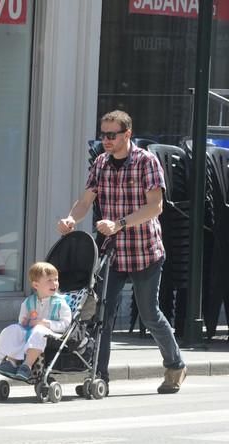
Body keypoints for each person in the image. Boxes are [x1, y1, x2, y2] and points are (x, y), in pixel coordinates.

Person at [57, 109, 187, 395]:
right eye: (103, 134)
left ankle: (175, 364)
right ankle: (97, 376)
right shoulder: (102, 163)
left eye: (111, 135)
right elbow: (86, 199)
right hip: (113, 252)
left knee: (149, 312)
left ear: (127, 134)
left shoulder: (146, 162)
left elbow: (155, 207)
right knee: (103, 312)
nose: (106, 139)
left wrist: (119, 224)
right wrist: (71, 218)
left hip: (144, 250)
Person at [0, 262, 72, 381]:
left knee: (39, 330)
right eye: (49, 280)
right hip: (30, 331)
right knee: (12, 329)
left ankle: (27, 366)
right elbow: (21, 323)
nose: (54, 283)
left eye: (56, 279)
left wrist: (45, 323)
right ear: (36, 285)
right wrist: (26, 321)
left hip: (52, 334)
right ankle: (12, 362)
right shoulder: (28, 302)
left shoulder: (60, 303)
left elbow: (65, 324)